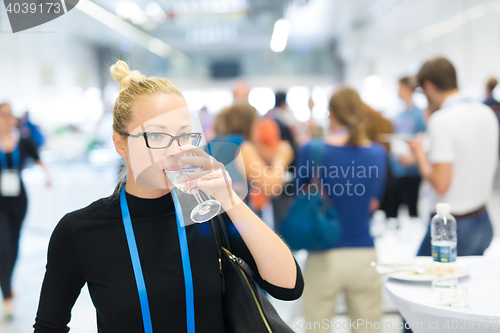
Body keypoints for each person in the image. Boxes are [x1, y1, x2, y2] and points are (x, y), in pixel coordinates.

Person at [33, 61, 303, 333]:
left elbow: (288, 285)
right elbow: (49, 325)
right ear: (120, 144)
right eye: (158, 136)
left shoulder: (207, 213)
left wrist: (231, 200)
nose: (175, 150)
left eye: (185, 135)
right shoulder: (81, 231)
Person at [298, 87, 386, 333]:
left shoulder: (312, 150)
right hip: (364, 255)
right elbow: (374, 202)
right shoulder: (378, 154)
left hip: (323, 255)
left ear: (331, 114)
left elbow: (300, 196)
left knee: (317, 327)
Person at [0, 103, 50, 321]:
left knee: (14, 244)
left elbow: (39, 159)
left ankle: (7, 283)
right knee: (4, 247)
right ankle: (8, 297)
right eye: (3, 115)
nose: (7, 119)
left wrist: (47, 175)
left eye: (10, 115)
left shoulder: (22, 140)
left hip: (19, 200)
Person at [384, 77, 426, 220]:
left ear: (407, 89)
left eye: (399, 87)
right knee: (392, 209)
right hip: (397, 168)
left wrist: (413, 159)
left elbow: (425, 141)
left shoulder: (419, 114)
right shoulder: (399, 115)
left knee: (412, 210)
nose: (397, 91)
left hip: (412, 171)